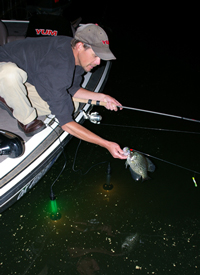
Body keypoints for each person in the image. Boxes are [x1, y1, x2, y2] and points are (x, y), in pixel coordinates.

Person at [0, 23, 127, 159]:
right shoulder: (58, 67)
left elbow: (72, 88)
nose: (98, 62)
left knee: (72, 105)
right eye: (95, 55)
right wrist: (106, 144)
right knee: (9, 74)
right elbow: (67, 124)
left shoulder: (73, 54)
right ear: (79, 46)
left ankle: (12, 97)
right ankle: (24, 117)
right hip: (4, 71)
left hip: (29, 78)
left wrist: (102, 97)